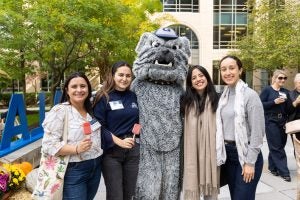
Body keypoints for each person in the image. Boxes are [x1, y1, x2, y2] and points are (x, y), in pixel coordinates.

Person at [41, 72, 102, 199]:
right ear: (67, 90)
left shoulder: (91, 109)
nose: (79, 90)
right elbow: (48, 145)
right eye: (74, 87)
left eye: (83, 86)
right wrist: (75, 149)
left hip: (95, 166)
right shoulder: (60, 111)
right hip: (74, 169)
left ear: (88, 89)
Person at [216, 55, 265, 200]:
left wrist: (250, 163)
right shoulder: (223, 96)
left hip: (246, 155)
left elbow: (258, 132)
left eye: (232, 68)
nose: (227, 72)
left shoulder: (250, 96)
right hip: (229, 156)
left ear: (240, 70)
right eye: (223, 69)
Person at [93, 61, 139, 200]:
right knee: (115, 195)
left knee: (130, 194)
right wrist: (119, 141)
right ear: (113, 76)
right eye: (120, 75)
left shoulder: (134, 96)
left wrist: (136, 132)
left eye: (128, 76)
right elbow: (98, 126)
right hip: (112, 153)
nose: (124, 79)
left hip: (133, 152)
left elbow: (139, 120)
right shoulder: (103, 97)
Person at [181, 65, 220, 200]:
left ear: (207, 78)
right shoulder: (185, 103)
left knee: (211, 195)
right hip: (192, 153)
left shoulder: (218, 100)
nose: (198, 79)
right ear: (190, 83)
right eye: (194, 77)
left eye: (201, 75)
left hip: (211, 154)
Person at [260, 69, 294, 182]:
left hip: (282, 121)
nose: (282, 80)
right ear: (274, 78)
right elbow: (260, 105)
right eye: (280, 78)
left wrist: (294, 103)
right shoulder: (267, 90)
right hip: (271, 121)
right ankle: (284, 172)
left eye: (284, 78)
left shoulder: (286, 91)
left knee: (278, 145)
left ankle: (272, 167)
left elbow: (289, 109)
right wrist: (274, 102)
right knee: (277, 147)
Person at [288, 73, 300, 150]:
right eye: (299, 82)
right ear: (295, 83)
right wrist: (296, 102)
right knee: (297, 147)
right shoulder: (290, 94)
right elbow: (288, 110)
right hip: (295, 123)